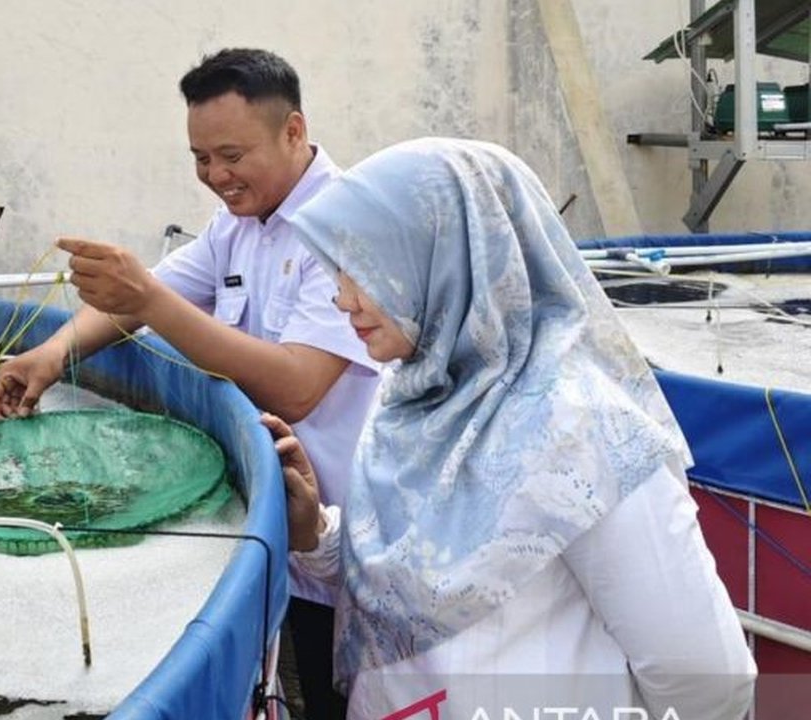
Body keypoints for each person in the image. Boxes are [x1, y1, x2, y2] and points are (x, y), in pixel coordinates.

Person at [262, 137, 757, 720]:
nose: (342, 297)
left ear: (445, 257)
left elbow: (705, 679)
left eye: (363, 267)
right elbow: (414, 574)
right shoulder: (410, 396)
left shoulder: (581, 429)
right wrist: (317, 532)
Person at [0, 48, 378, 718]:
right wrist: (49, 355)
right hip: (279, 530)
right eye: (200, 158)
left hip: (345, 542)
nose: (216, 176)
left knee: (344, 694)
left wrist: (146, 298)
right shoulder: (238, 223)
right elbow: (150, 296)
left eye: (232, 155)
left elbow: (297, 386)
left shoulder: (346, 228)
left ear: (293, 131)